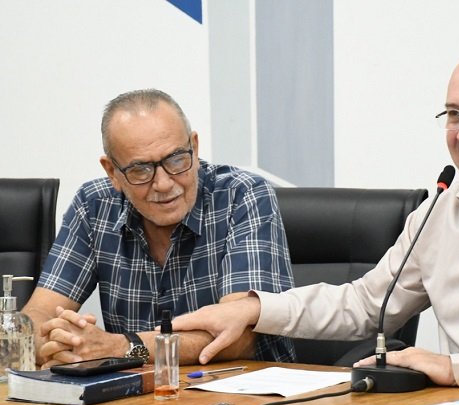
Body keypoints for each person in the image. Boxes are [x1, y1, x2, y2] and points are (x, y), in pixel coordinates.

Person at [168, 47, 459, 393]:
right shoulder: (440, 214)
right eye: (453, 115)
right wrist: (256, 310)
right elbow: (365, 304)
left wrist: (456, 368)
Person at [22, 89, 295, 368]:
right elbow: (38, 314)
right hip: (136, 391)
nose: (163, 184)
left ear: (195, 147)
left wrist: (120, 348)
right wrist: (57, 342)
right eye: (141, 170)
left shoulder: (242, 195)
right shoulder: (94, 205)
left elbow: (240, 337)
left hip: (243, 389)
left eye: (176, 160)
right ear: (112, 172)